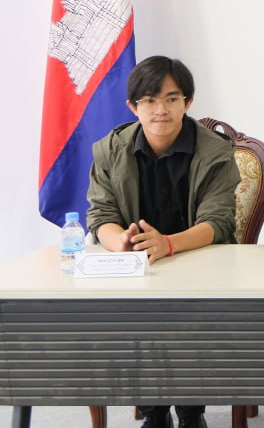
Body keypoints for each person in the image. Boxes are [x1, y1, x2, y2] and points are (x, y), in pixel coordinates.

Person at [86, 55, 240, 428]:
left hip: (198, 259)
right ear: (132, 106)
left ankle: (191, 413)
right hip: (138, 267)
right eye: (150, 100)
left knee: (190, 319)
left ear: (188, 102)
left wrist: (167, 244)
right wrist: (119, 243)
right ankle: (154, 414)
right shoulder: (110, 150)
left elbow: (218, 222)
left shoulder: (215, 151)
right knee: (130, 320)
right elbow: (101, 216)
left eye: (172, 99)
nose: (161, 110)